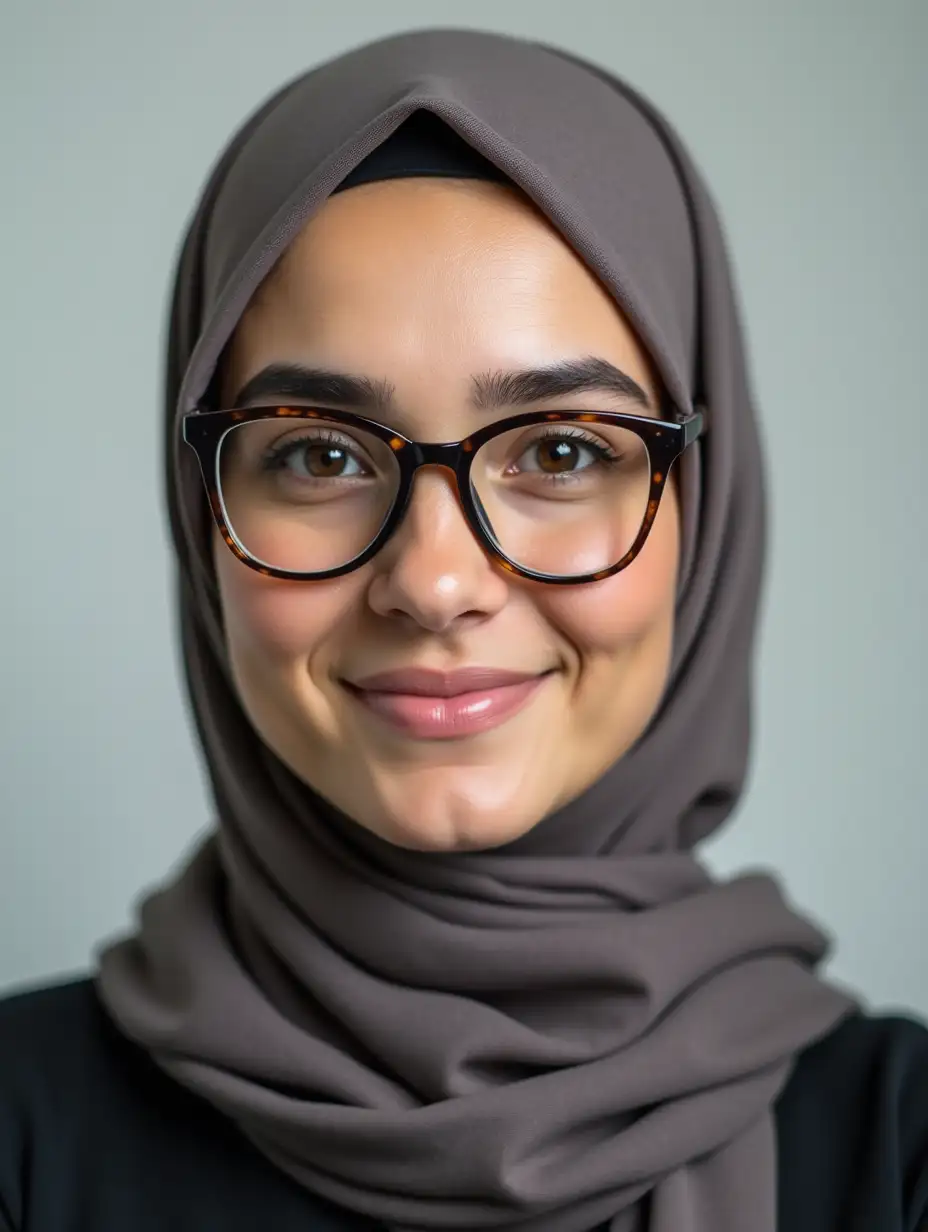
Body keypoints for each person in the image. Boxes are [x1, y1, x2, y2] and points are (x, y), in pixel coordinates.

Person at [0, 27, 925, 1232]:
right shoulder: (21, 1132)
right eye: (319, 453)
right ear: (201, 515)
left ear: (708, 504)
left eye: (561, 449)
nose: (434, 582)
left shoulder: (895, 1150)